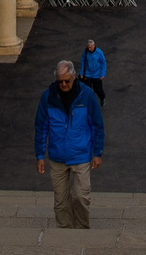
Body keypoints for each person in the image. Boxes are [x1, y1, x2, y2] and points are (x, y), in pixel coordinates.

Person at [35, 58, 105, 227]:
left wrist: (97, 153)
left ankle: (81, 230)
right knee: (61, 201)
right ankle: (65, 234)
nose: (64, 84)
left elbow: (97, 125)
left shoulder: (86, 95)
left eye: (67, 80)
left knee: (81, 197)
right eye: (60, 81)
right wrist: (39, 155)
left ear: (74, 77)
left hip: (80, 154)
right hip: (57, 156)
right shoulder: (48, 97)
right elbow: (41, 127)